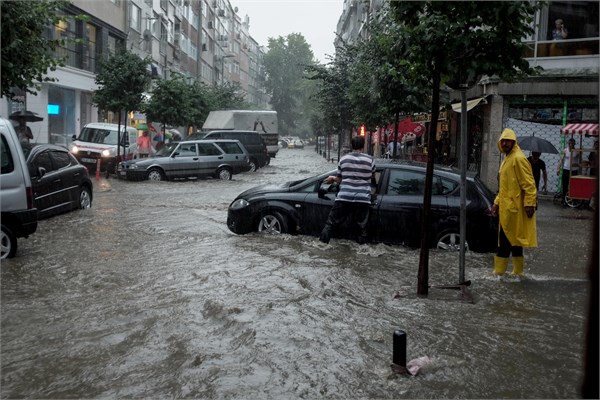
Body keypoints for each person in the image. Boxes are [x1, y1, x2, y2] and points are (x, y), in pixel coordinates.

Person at [489, 128, 537, 276]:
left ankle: (499, 274)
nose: (504, 143)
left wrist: (530, 203)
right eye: (502, 141)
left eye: (507, 141)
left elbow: (529, 184)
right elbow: (504, 187)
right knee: (514, 241)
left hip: (514, 208)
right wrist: (496, 203)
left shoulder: (518, 158)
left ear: (513, 142)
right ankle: (518, 273)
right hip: (507, 206)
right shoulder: (507, 159)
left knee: (505, 240)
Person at [319, 135, 376, 245]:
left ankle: (321, 245)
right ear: (363, 146)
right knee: (361, 228)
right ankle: (361, 249)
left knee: (330, 224)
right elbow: (372, 176)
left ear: (351, 146)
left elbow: (340, 180)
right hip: (363, 199)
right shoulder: (370, 160)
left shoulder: (343, 159)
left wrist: (333, 179)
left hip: (344, 197)